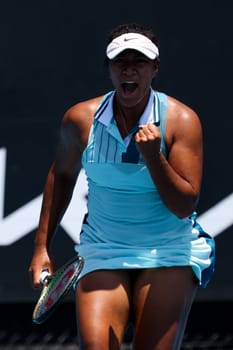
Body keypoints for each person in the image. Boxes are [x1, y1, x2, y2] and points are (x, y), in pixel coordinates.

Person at [29, 23, 215, 350]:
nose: (129, 68)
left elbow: (184, 205)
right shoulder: (80, 118)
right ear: (110, 70)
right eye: (120, 61)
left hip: (169, 250)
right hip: (103, 247)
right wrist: (42, 246)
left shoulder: (182, 121)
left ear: (154, 68)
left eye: (139, 61)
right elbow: (61, 176)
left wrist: (154, 158)